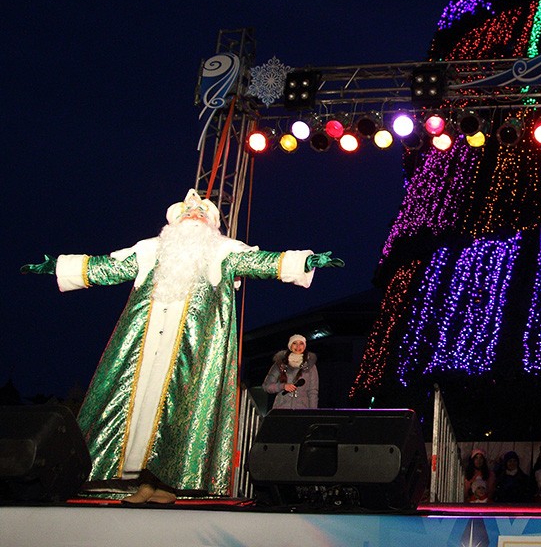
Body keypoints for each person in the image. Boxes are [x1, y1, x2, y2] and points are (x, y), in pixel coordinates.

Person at [21, 188, 343, 504]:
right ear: (174, 222)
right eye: (188, 211)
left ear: (212, 224)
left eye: (201, 212)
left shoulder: (223, 251)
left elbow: (261, 261)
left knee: (179, 409)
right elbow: (109, 267)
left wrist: (304, 261)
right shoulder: (151, 250)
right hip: (142, 345)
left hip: (193, 350)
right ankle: (113, 479)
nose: (194, 214)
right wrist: (61, 267)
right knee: (132, 401)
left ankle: (164, 482)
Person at [263, 334, 319, 409]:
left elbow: (313, 392)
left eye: (301, 343)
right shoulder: (280, 364)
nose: (298, 346)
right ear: (290, 346)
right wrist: (283, 386)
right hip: (281, 409)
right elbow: (266, 386)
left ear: (304, 346)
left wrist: (312, 413)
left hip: (302, 410)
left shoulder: (311, 366)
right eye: (294, 343)